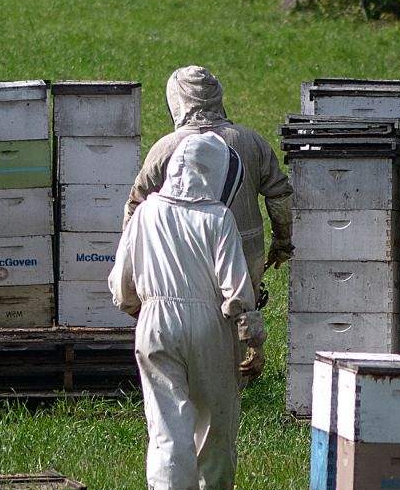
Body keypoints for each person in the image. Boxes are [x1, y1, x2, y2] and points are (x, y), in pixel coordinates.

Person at [109, 130, 261, 490]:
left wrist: (135, 308)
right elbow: (237, 288)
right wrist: (252, 338)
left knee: (165, 419)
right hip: (210, 323)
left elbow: (122, 279)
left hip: (154, 322)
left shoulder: (144, 213)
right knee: (214, 417)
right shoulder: (218, 218)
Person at [125, 64, 292, 379]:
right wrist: (283, 243)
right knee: (238, 309)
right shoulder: (251, 141)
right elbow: (280, 195)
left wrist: (133, 259)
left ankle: (201, 378)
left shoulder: (166, 147)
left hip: (184, 254)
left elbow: (136, 205)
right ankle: (233, 375)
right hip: (245, 249)